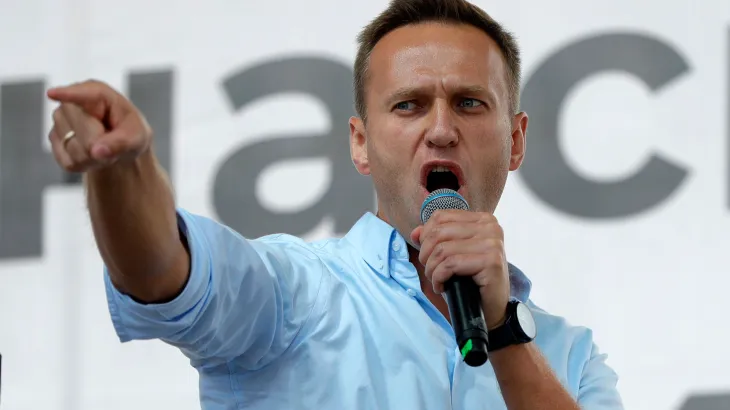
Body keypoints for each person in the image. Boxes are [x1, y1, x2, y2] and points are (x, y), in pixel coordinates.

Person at [46, 0, 624, 409]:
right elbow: (163, 272)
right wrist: (121, 170)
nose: (441, 130)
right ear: (360, 143)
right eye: (408, 105)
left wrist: (502, 330)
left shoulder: (571, 357)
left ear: (515, 140)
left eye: (470, 103)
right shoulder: (291, 292)